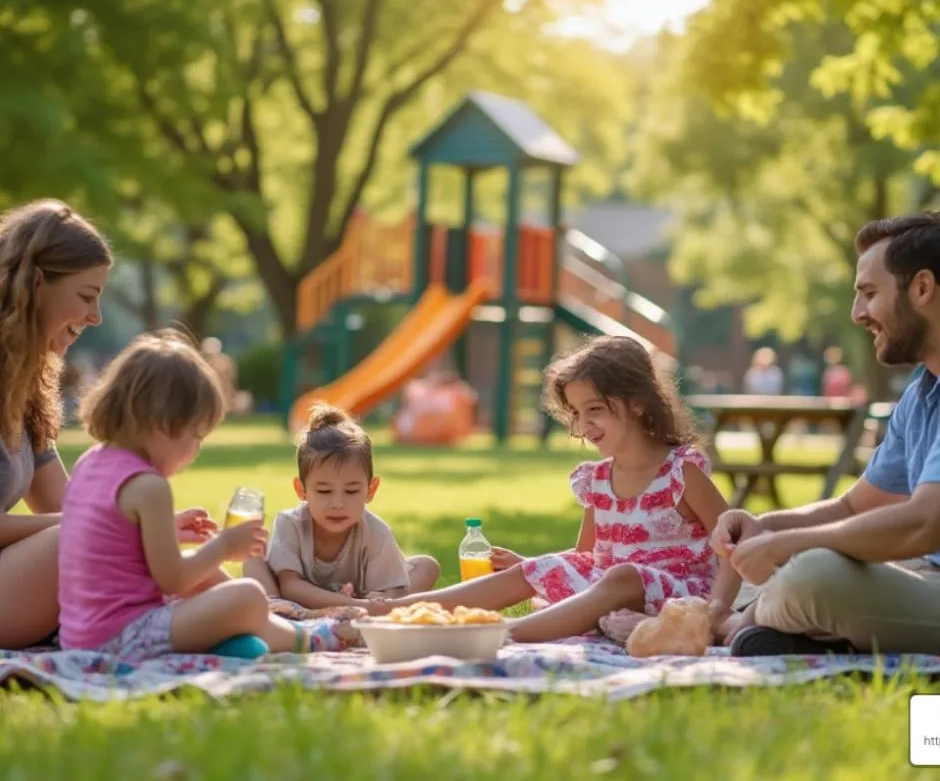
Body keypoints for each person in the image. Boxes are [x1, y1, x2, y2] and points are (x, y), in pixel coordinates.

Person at [385, 335, 741, 644]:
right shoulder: (598, 480)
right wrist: (534, 567)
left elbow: (733, 546)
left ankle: (500, 633)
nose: (584, 425)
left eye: (595, 410)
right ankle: (388, 611)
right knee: (541, 567)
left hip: (680, 596)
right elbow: (585, 557)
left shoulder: (681, 472)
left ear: (637, 402)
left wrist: (714, 611)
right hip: (611, 592)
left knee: (622, 575)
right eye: (576, 413)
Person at [715, 212, 940, 656]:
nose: (858, 314)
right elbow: (853, 506)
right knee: (771, 572)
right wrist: (766, 527)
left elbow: (923, 524)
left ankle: (732, 627)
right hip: (925, 575)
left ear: (921, 288)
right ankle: (765, 625)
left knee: (813, 574)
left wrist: (792, 544)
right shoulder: (922, 394)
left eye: (869, 294)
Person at [58, 330, 335, 661]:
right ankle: (306, 640)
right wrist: (223, 546)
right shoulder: (149, 486)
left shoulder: (91, 462)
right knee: (246, 596)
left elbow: (111, 547)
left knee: (214, 583)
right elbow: (173, 578)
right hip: (122, 638)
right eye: (196, 435)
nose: (196, 450)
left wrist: (168, 531)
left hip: (80, 634)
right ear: (163, 425)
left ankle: (254, 637)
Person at [0, 199, 112, 649]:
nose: (95, 317)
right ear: (37, 283)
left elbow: (59, 502)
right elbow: (70, 521)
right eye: (86, 296)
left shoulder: (22, 388)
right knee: (82, 536)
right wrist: (92, 522)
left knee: (110, 536)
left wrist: (145, 521)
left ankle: (247, 616)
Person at [242, 403, 439, 610]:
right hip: (298, 602)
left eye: (351, 491)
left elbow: (388, 589)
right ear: (302, 490)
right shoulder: (290, 523)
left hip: (359, 600)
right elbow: (291, 586)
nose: (338, 504)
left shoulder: (375, 531)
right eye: (324, 491)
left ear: (370, 490)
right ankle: (281, 611)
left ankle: (373, 612)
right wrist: (353, 604)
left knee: (425, 566)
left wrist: (383, 597)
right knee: (252, 558)